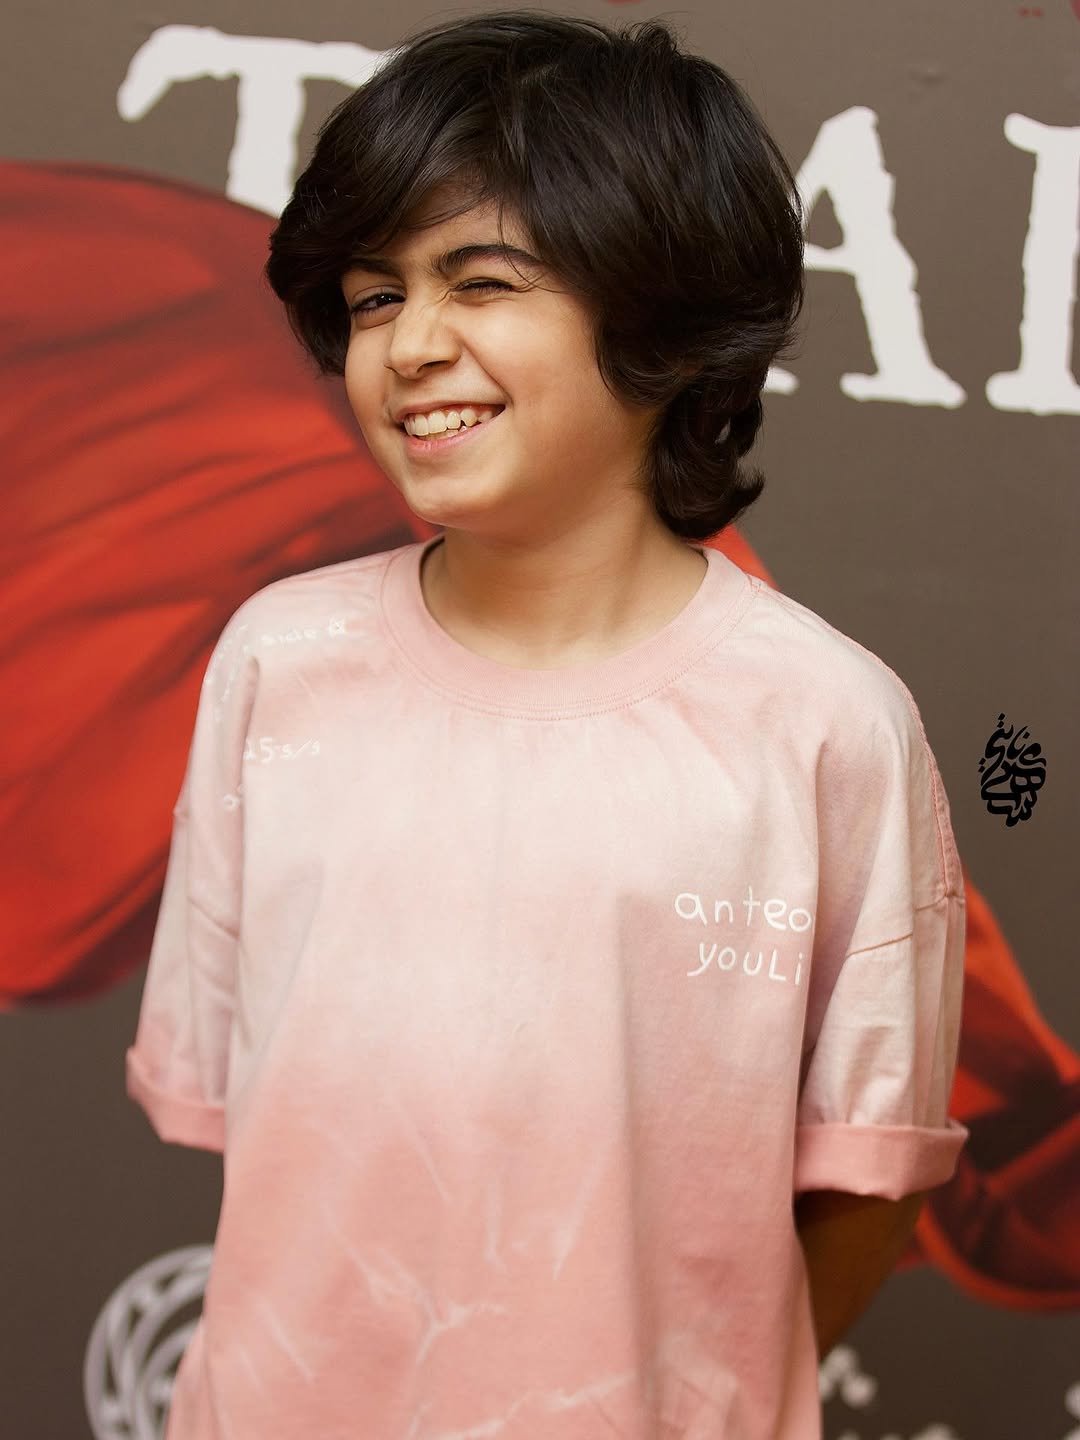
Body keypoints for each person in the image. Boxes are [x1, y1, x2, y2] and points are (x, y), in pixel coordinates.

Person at [125, 10, 969, 1438]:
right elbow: (252, 1110)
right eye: (374, 298)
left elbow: (867, 1178)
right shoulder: (279, 661)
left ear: (659, 318)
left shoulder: (826, 727)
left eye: (483, 281)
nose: (412, 346)